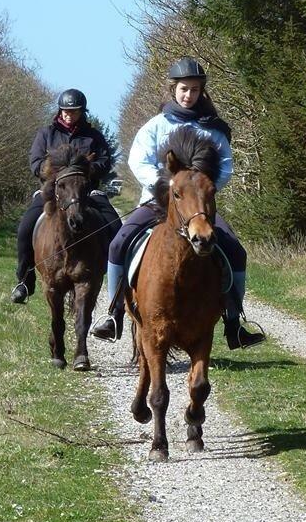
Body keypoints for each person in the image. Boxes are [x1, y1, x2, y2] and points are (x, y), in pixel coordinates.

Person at [90, 57, 265, 349]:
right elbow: (138, 160)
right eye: (184, 89)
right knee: (118, 243)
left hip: (199, 208)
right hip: (157, 203)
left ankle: (235, 322)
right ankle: (114, 314)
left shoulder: (213, 129)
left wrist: (204, 192)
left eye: (195, 90)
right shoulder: (155, 126)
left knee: (235, 249)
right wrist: (167, 188)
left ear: (201, 92)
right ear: (174, 89)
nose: (189, 95)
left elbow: (226, 166)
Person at [11, 89, 121, 303]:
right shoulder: (46, 134)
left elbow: (105, 162)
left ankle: (116, 283)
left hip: (88, 191)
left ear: (82, 112)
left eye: (74, 111)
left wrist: (86, 169)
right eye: (66, 111)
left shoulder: (94, 136)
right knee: (25, 228)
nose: (69, 115)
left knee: (116, 228)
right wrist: (57, 171)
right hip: (53, 192)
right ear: (60, 110)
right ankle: (25, 280)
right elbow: (35, 163)